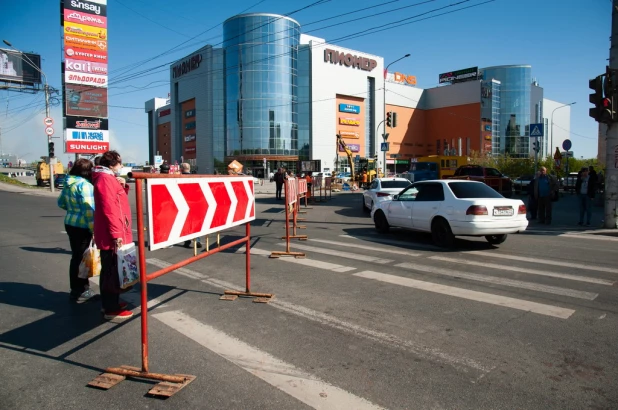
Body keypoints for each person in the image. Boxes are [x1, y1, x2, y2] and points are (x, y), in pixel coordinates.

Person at [92, 150, 134, 321]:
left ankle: (111, 302)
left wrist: (122, 185)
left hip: (115, 231)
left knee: (114, 269)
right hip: (112, 234)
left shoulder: (108, 178)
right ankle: (110, 308)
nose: (121, 166)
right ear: (111, 164)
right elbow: (109, 209)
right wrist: (116, 233)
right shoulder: (105, 179)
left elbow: (118, 201)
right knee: (111, 271)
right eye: (119, 163)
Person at [57, 159, 97, 303]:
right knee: (82, 259)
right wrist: (94, 230)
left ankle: (77, 288)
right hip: (82, 226)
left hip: (70, 223)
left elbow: (60, 203)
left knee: (76, 257)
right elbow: (89, 211)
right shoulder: (84, 185)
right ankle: (80, 290)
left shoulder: (68, 183)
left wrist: (73, 211)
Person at [181, 163, 203, 249]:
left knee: (186, 223)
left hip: (184, 202)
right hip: (195, 203)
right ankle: (197, 240)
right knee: (194, 222)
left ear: (182, 169)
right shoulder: (195, 177)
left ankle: (187, 241)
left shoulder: (179, 178)